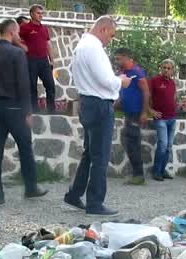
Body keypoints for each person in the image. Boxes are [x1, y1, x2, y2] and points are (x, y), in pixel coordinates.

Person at [64, 16, 132, 216]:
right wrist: (121, 81)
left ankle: (74, 194)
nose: (110, 40)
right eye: (110, 35)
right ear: (103, 29)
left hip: (87, 102)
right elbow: (105, 80)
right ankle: (95, 202)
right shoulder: (93, 48)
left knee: (90, 153)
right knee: (100, 155)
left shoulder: (81, 47)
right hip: (99, 104)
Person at [0, 19, 48, 205]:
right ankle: (31, 187)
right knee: (25, 147)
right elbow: (23, 84)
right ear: (11, 32)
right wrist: (28, 111)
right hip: (15, 108)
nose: (19, 36)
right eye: (17, 32)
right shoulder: (17, 54)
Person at [115, 47, 150, 185]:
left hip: (135, 113)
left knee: (133, 142)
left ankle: (138, 175)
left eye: (118, 58)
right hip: (128, 112)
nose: (117, 61)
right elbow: (125, 92)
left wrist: (144, 112)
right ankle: (137, 174)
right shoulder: (125, 72)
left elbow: (146, 92)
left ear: (126, 57)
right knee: (130, 142)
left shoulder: (137, 72)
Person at [20, 4, 56, 113]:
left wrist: (52, 60)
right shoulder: (24, 28)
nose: (41, 15)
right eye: (38, 13)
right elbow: (16, 40)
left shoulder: (44, 29)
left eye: (42, 13)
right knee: (32, 87)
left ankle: (51, 110)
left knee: (50, 85)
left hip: (44, 61)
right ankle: (34, 111)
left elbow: (48, 44)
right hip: (31, 61)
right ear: (31, 14)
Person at [149, 59, 177, 182]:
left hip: (172, 118)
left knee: (168, 147)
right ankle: (156, 171)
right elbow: (146, 96)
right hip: (160, 119)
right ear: (161, 68)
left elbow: (173, 98)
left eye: (168, 68)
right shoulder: (154, 81)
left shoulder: (172, 83)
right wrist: (151, 111)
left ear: (172, 70)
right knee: (163, 144)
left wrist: (178, 106)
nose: (166, 70)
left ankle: (162, 170)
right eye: (164, 67)